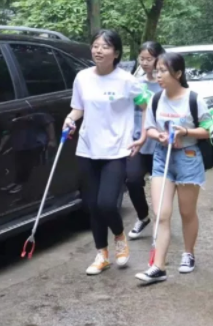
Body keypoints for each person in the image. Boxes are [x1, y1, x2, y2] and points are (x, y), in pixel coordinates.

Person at [63, 29, 149, 276]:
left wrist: (143, 135)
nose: (98, 50)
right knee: (92, 205)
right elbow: (78, 108)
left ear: (116, 53)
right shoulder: (82, 77)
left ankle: (119, 236)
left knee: (107, 204)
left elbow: (146, 105)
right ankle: (101, 254)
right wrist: (70, 119)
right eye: (95, 46)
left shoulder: (127, 80)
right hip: (87, 148)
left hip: (116, 150)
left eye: (105, 46)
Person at [135, 53, 212, 285]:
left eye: (163, 71)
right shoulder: (156, 99)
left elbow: (207, 129)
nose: (158, 76)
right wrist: (157, 135)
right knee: (161, 212)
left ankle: (188, 253)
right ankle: (158, 266)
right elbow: (149, 127)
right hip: (162, 158)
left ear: (178, 74)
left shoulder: (194, 99)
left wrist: (185, 132)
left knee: (187, 212)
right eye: (157, 71)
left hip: (188, 158)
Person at [126, 41, 165, 239]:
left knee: (162, 186)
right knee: (132, 179)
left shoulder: (165, 84)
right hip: (138, 141)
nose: (145, 62)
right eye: (141, 58)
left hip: (159, 142)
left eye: (149, 59)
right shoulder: (135, 83)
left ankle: (162, 222)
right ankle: (143, 216)